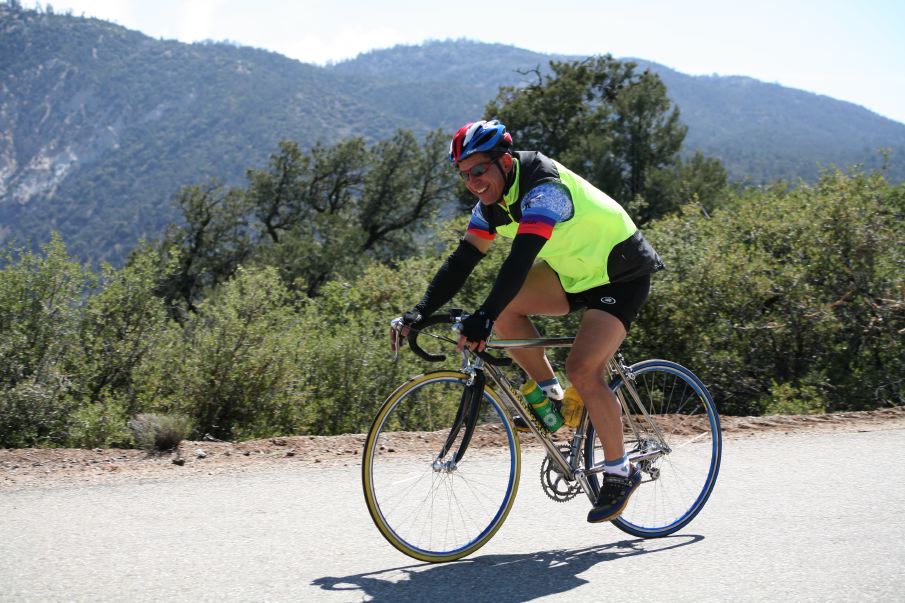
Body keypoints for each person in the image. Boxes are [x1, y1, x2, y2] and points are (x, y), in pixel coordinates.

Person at [393, 119, 664, 523]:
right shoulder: (491, 204)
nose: (472, 182)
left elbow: (521, 258)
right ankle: (552, 396)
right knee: (504, 310)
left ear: (503, 161)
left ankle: (620, 471)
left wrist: (482, 317)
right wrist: (420, 310)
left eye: (479, 170)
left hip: (620, 272)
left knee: (583, 369)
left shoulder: (545, 188)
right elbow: (464, 258)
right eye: (464, 174)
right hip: (572, 275)